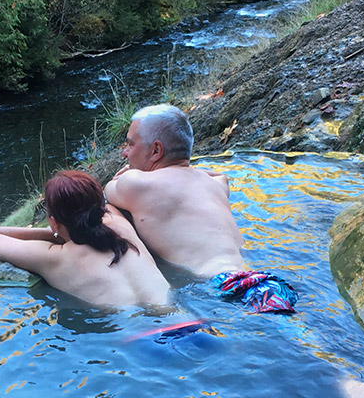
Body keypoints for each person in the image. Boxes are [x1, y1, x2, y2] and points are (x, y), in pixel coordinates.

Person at [104, 104, 297, 313]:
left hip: (220, 289)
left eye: (131, 144)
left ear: (156, 150)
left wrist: (125, 175)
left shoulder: (135, 184)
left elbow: (108, 189)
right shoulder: (215, 185)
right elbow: (220, 176)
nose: (125, 153)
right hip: (263, 283)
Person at [0, 170, 170, 307]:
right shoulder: (122, 228)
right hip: (187, 323)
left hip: (140, 344)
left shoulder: (55, 258)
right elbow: (105, 207)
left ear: (55, 222)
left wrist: (52, 233)